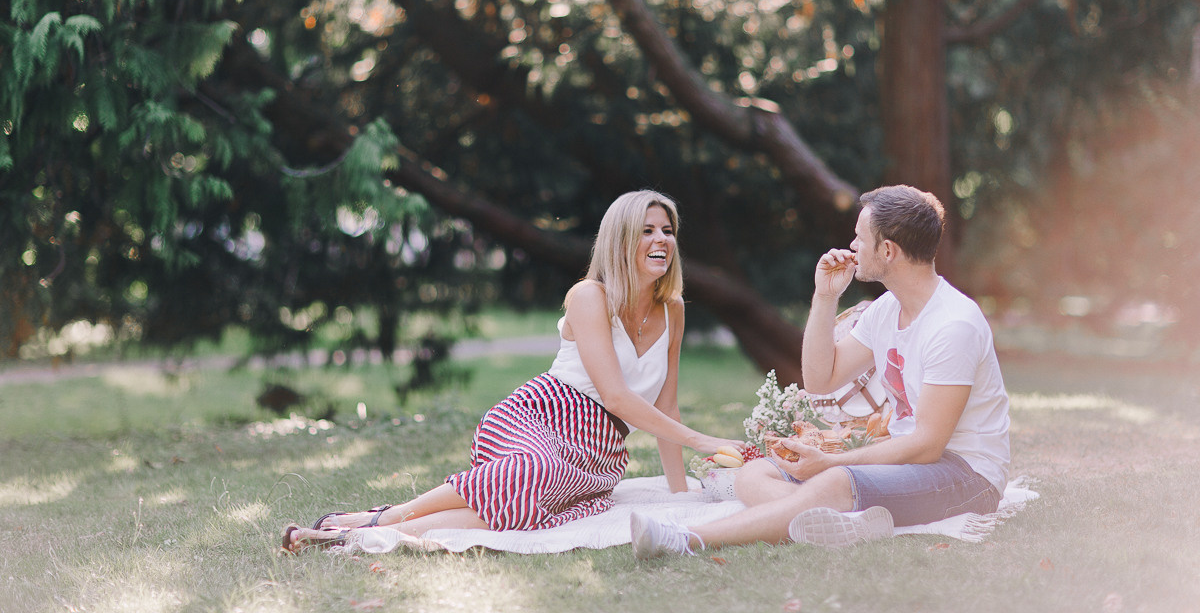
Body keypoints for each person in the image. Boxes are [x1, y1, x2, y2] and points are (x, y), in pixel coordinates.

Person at [282, 190, 743, 552]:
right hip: (541, 416)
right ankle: (383, 517)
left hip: (599, 450)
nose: (661, 239)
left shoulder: (673, 310)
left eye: (667, 229)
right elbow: (618, 396)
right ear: (621, 239)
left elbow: (666, 404)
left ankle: (353, 535)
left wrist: (679, 497)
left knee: (517, 511)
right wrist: (706, 441)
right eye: (646, 230)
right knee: (531, 473)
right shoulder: (590, 297)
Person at [631, 185, 1011, 557]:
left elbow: (928, 445)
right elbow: (820, 379)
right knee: (753, 475)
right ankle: (846, 520)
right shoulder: (886, 310)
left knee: (833, 480)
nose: (853, 246)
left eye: (860, 237)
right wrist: (826, 295)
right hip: (911, 463)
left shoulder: (952, 325)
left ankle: (687, 539)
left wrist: (833, 464)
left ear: (889, 251)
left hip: (967, 476)